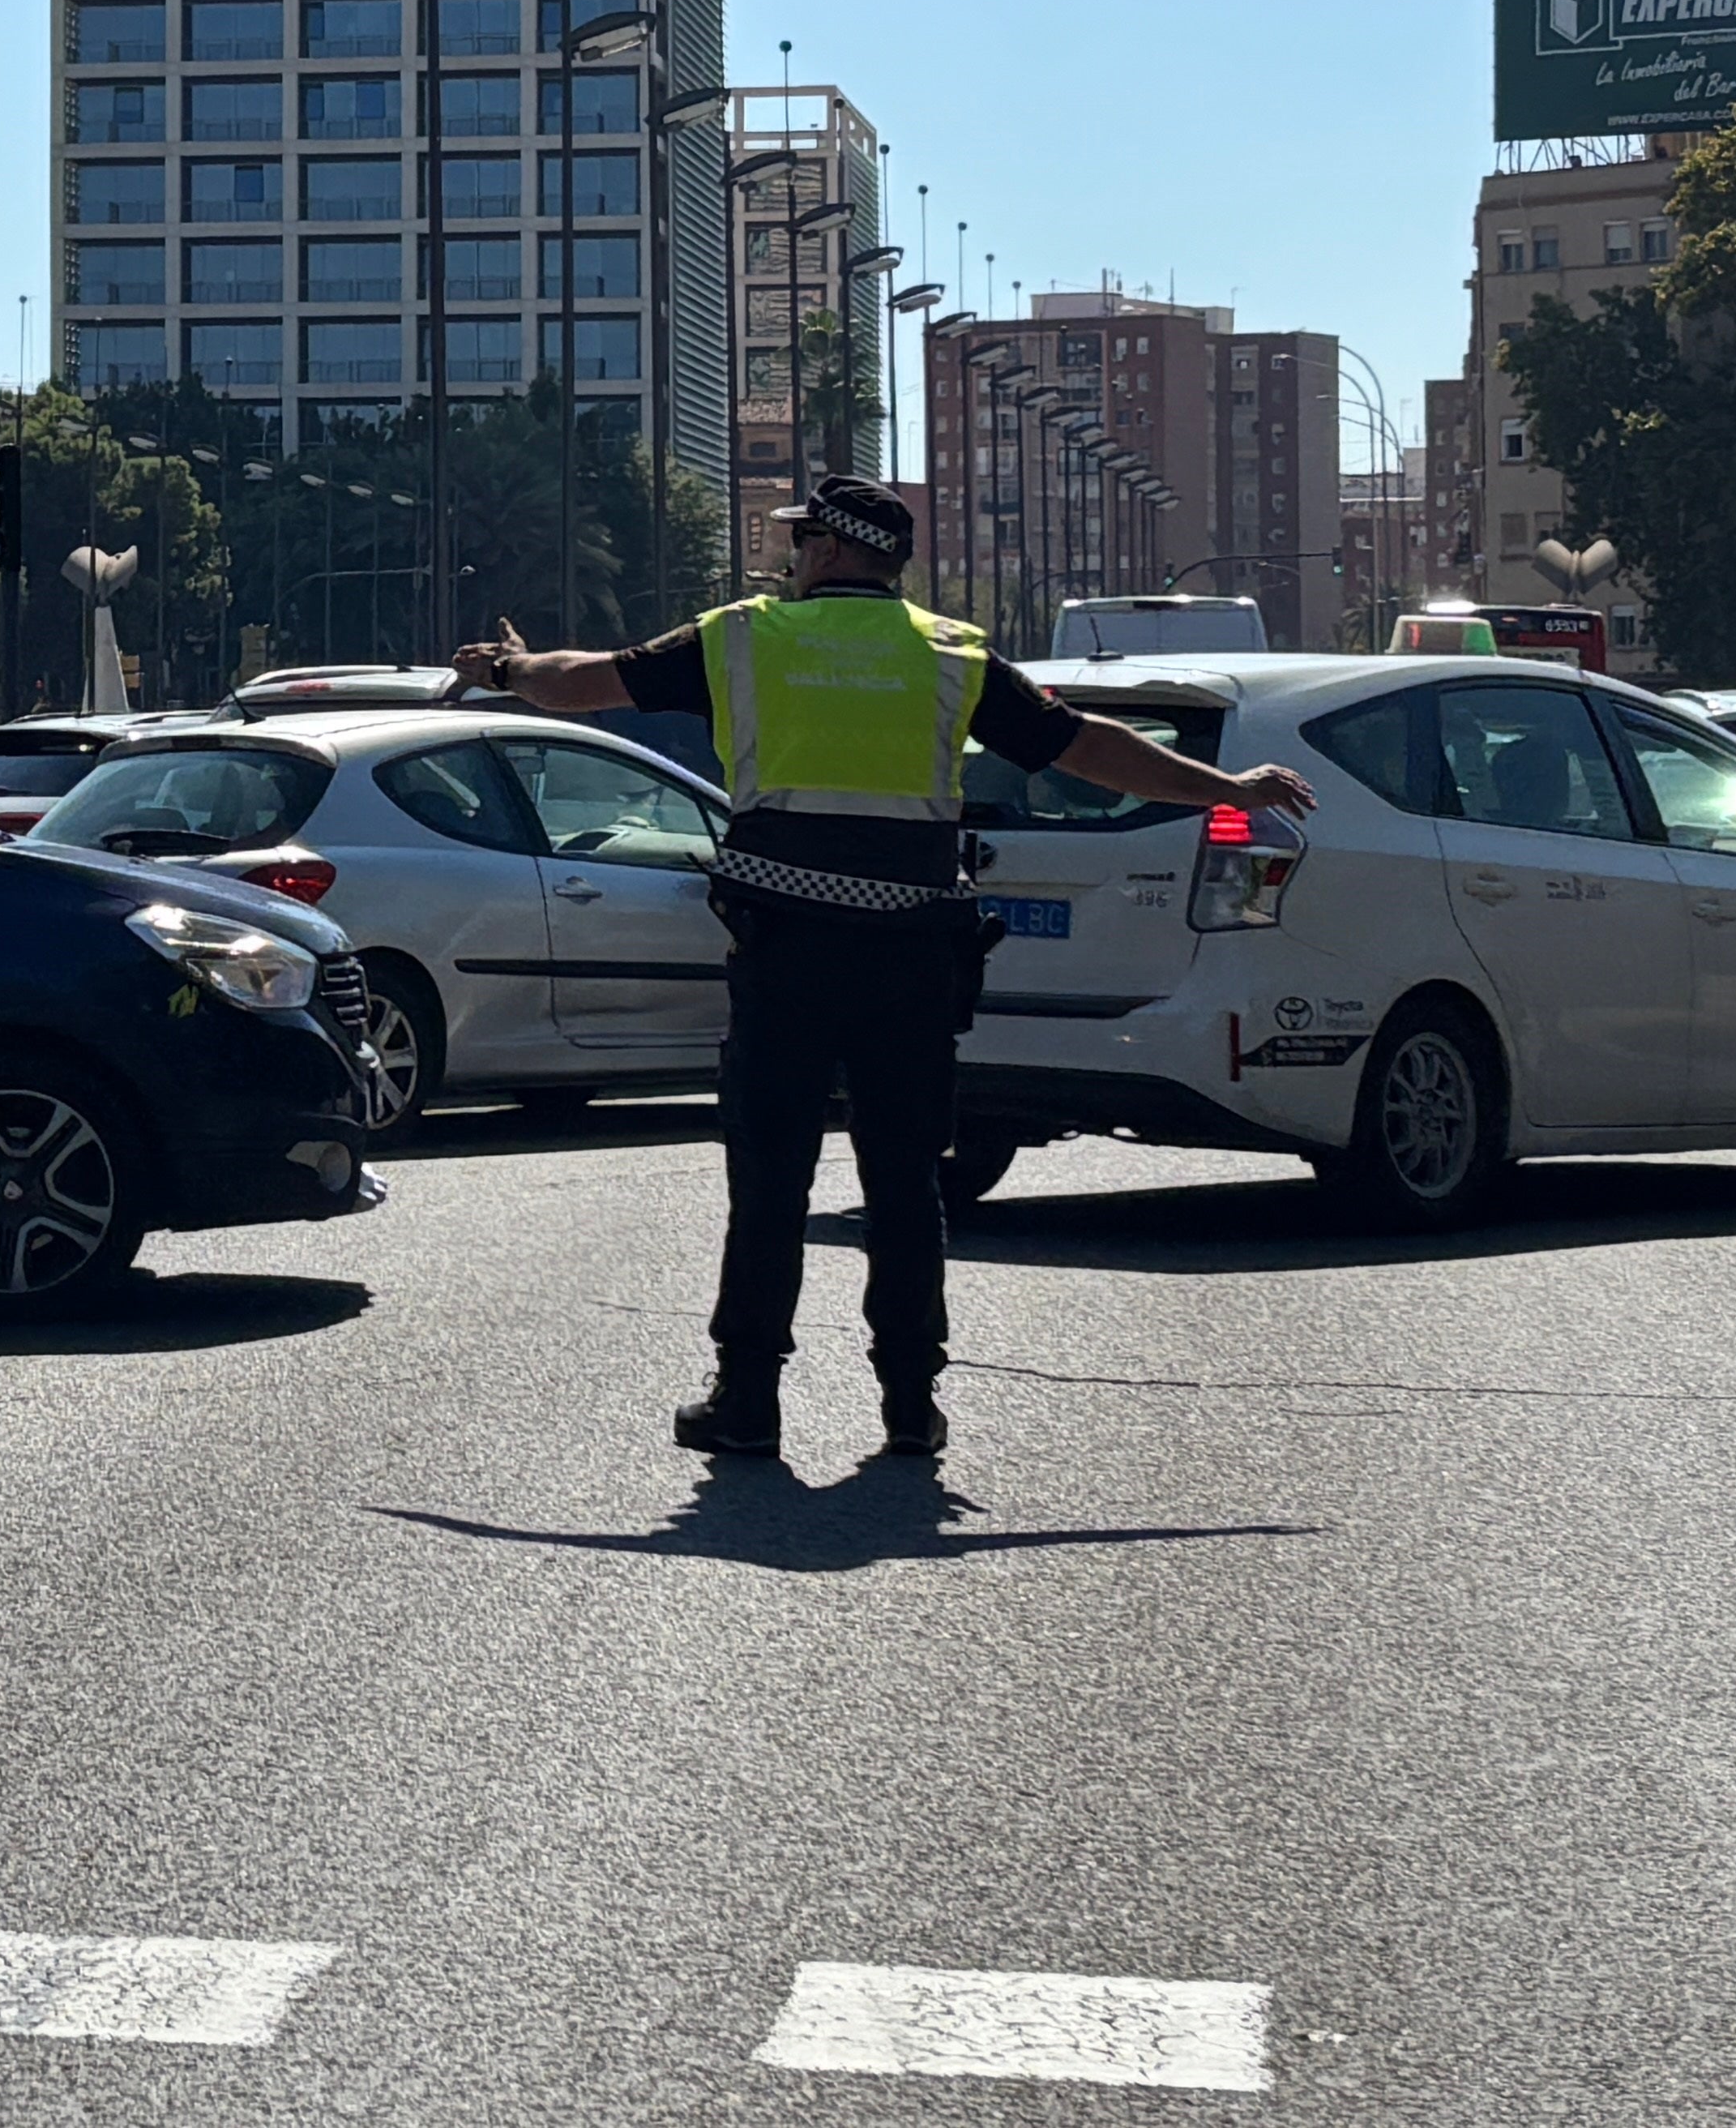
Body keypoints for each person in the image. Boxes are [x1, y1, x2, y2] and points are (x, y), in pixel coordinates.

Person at [455, 474, 1314, 1464]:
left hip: (785, 955)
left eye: (797, 540)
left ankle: (749, 1399)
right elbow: (1088, 747)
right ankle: (911, 1401)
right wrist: (1225, 786)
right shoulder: (951, 652)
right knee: (906, 1181)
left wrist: (508, 669)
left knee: (770, 1177)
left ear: (825, 549)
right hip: (912, 954)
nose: (787, 557)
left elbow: (585, 679)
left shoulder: (745, 636)